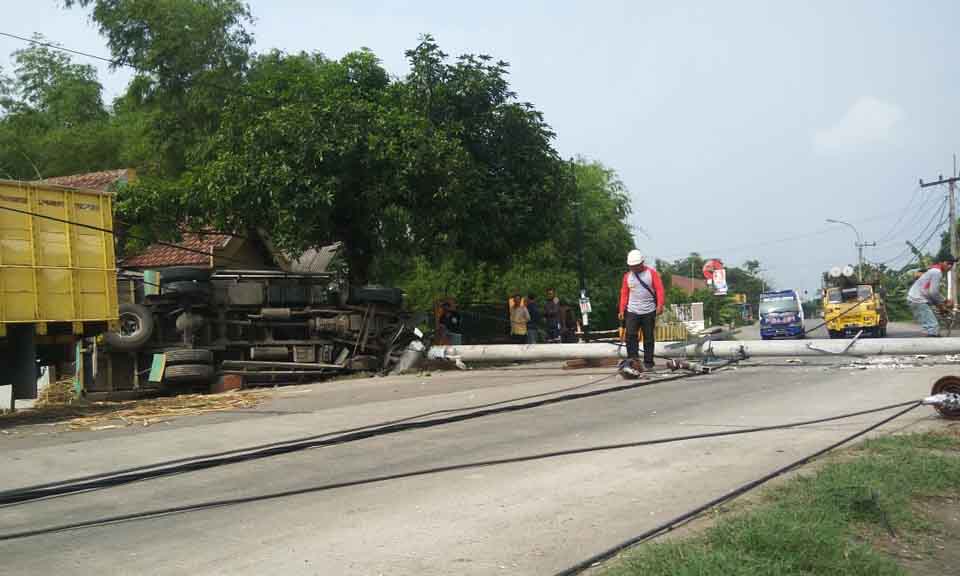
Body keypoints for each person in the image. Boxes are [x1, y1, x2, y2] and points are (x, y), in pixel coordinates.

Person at [618, 249, 665, 370]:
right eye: (631, 266)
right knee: (631, 336)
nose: (633, 268)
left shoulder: (651, 273)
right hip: (632, 311)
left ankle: (648, 362)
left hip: (649, 311)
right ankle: (633, 361)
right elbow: (624, 293)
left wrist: (660, 305)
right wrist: (622, 310)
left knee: (648, 337)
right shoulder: (627, 276)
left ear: (641, 263)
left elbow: (659, 289)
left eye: (636, 266)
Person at [907, 258, 956, 337]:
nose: (950, 266)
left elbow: (930, 293)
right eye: (948, 263)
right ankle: (932, 344)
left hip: (916, 299)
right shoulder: (937, 272)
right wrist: (944, 302)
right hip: (917, 300)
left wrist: (942, 304)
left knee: (930, 326)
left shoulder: (933, 270)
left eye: (952, 264)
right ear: (942, 262)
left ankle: (929, 342)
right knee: (933, 327)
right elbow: (933, 292)